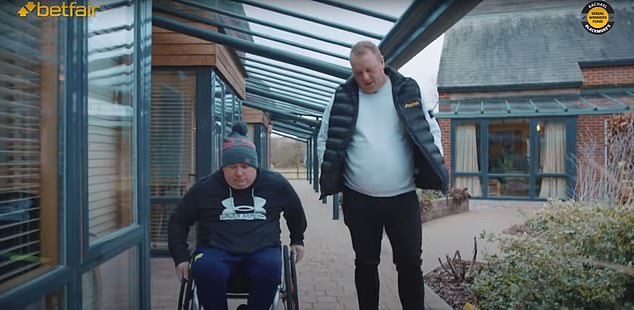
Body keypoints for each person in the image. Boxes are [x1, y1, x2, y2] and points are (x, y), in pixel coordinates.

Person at [317, 41, 448, 310]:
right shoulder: (341, 96)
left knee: (410, 262)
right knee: (365, 263)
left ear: (381, 62)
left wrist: (435, 165)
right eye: (357, 72)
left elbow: (430, 131)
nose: (364, 77)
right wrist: (330, 172)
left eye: (369, 70)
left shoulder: (407, 90)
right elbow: (325, 138)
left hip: (402, 198)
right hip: (359, 199)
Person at [168, 122, 307, 310]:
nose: (239, 173)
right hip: (215, 250)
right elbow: (178, 220)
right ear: (223, 167)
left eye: (245, 166)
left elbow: (295, 212)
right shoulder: (205, 188)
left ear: (256, 166)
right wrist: (181, 257)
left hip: (263, 249)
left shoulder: (275, 184)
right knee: (205, 268)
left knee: (271, 266)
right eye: (232, 166)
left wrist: (297, 239)